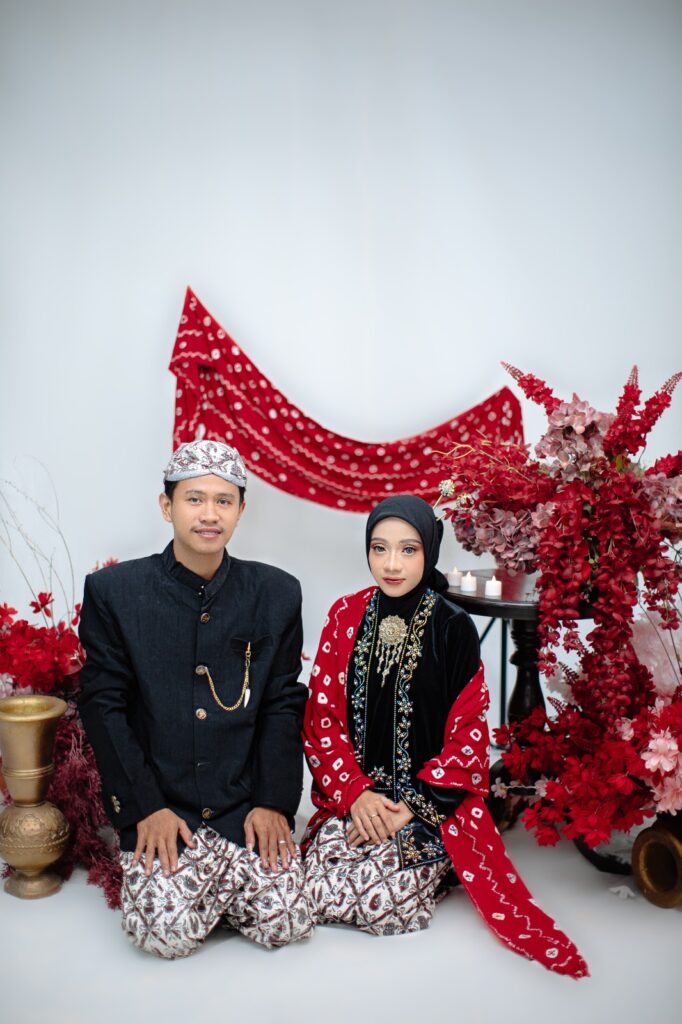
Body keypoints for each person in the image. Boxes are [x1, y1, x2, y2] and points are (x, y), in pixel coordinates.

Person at [302, 495, 588, 977]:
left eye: (408, 550)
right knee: (310, 888)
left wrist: (410, 807)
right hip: (355, 803)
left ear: (429, 551)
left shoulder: (451, 627)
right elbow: (321, 720)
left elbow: (468, 737)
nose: (392, 564)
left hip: (427, 807)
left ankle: (439, 867)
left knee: (382, 906)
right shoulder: (345, 615)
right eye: (379, 548)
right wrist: (356, 794)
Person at [78, 440, 313, 958]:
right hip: (164, 806)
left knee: (288, 924)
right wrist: (146, 808)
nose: (210, 514)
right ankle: (199, 889)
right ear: (167, 507)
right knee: (165, 935)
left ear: (241, 510)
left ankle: (216, 888)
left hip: (241, 804)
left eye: (224, 501)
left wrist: (273, 802)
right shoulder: (115, 592)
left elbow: (281, 702)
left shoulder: (276, 592)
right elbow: (103, 706)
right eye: (194, 499)